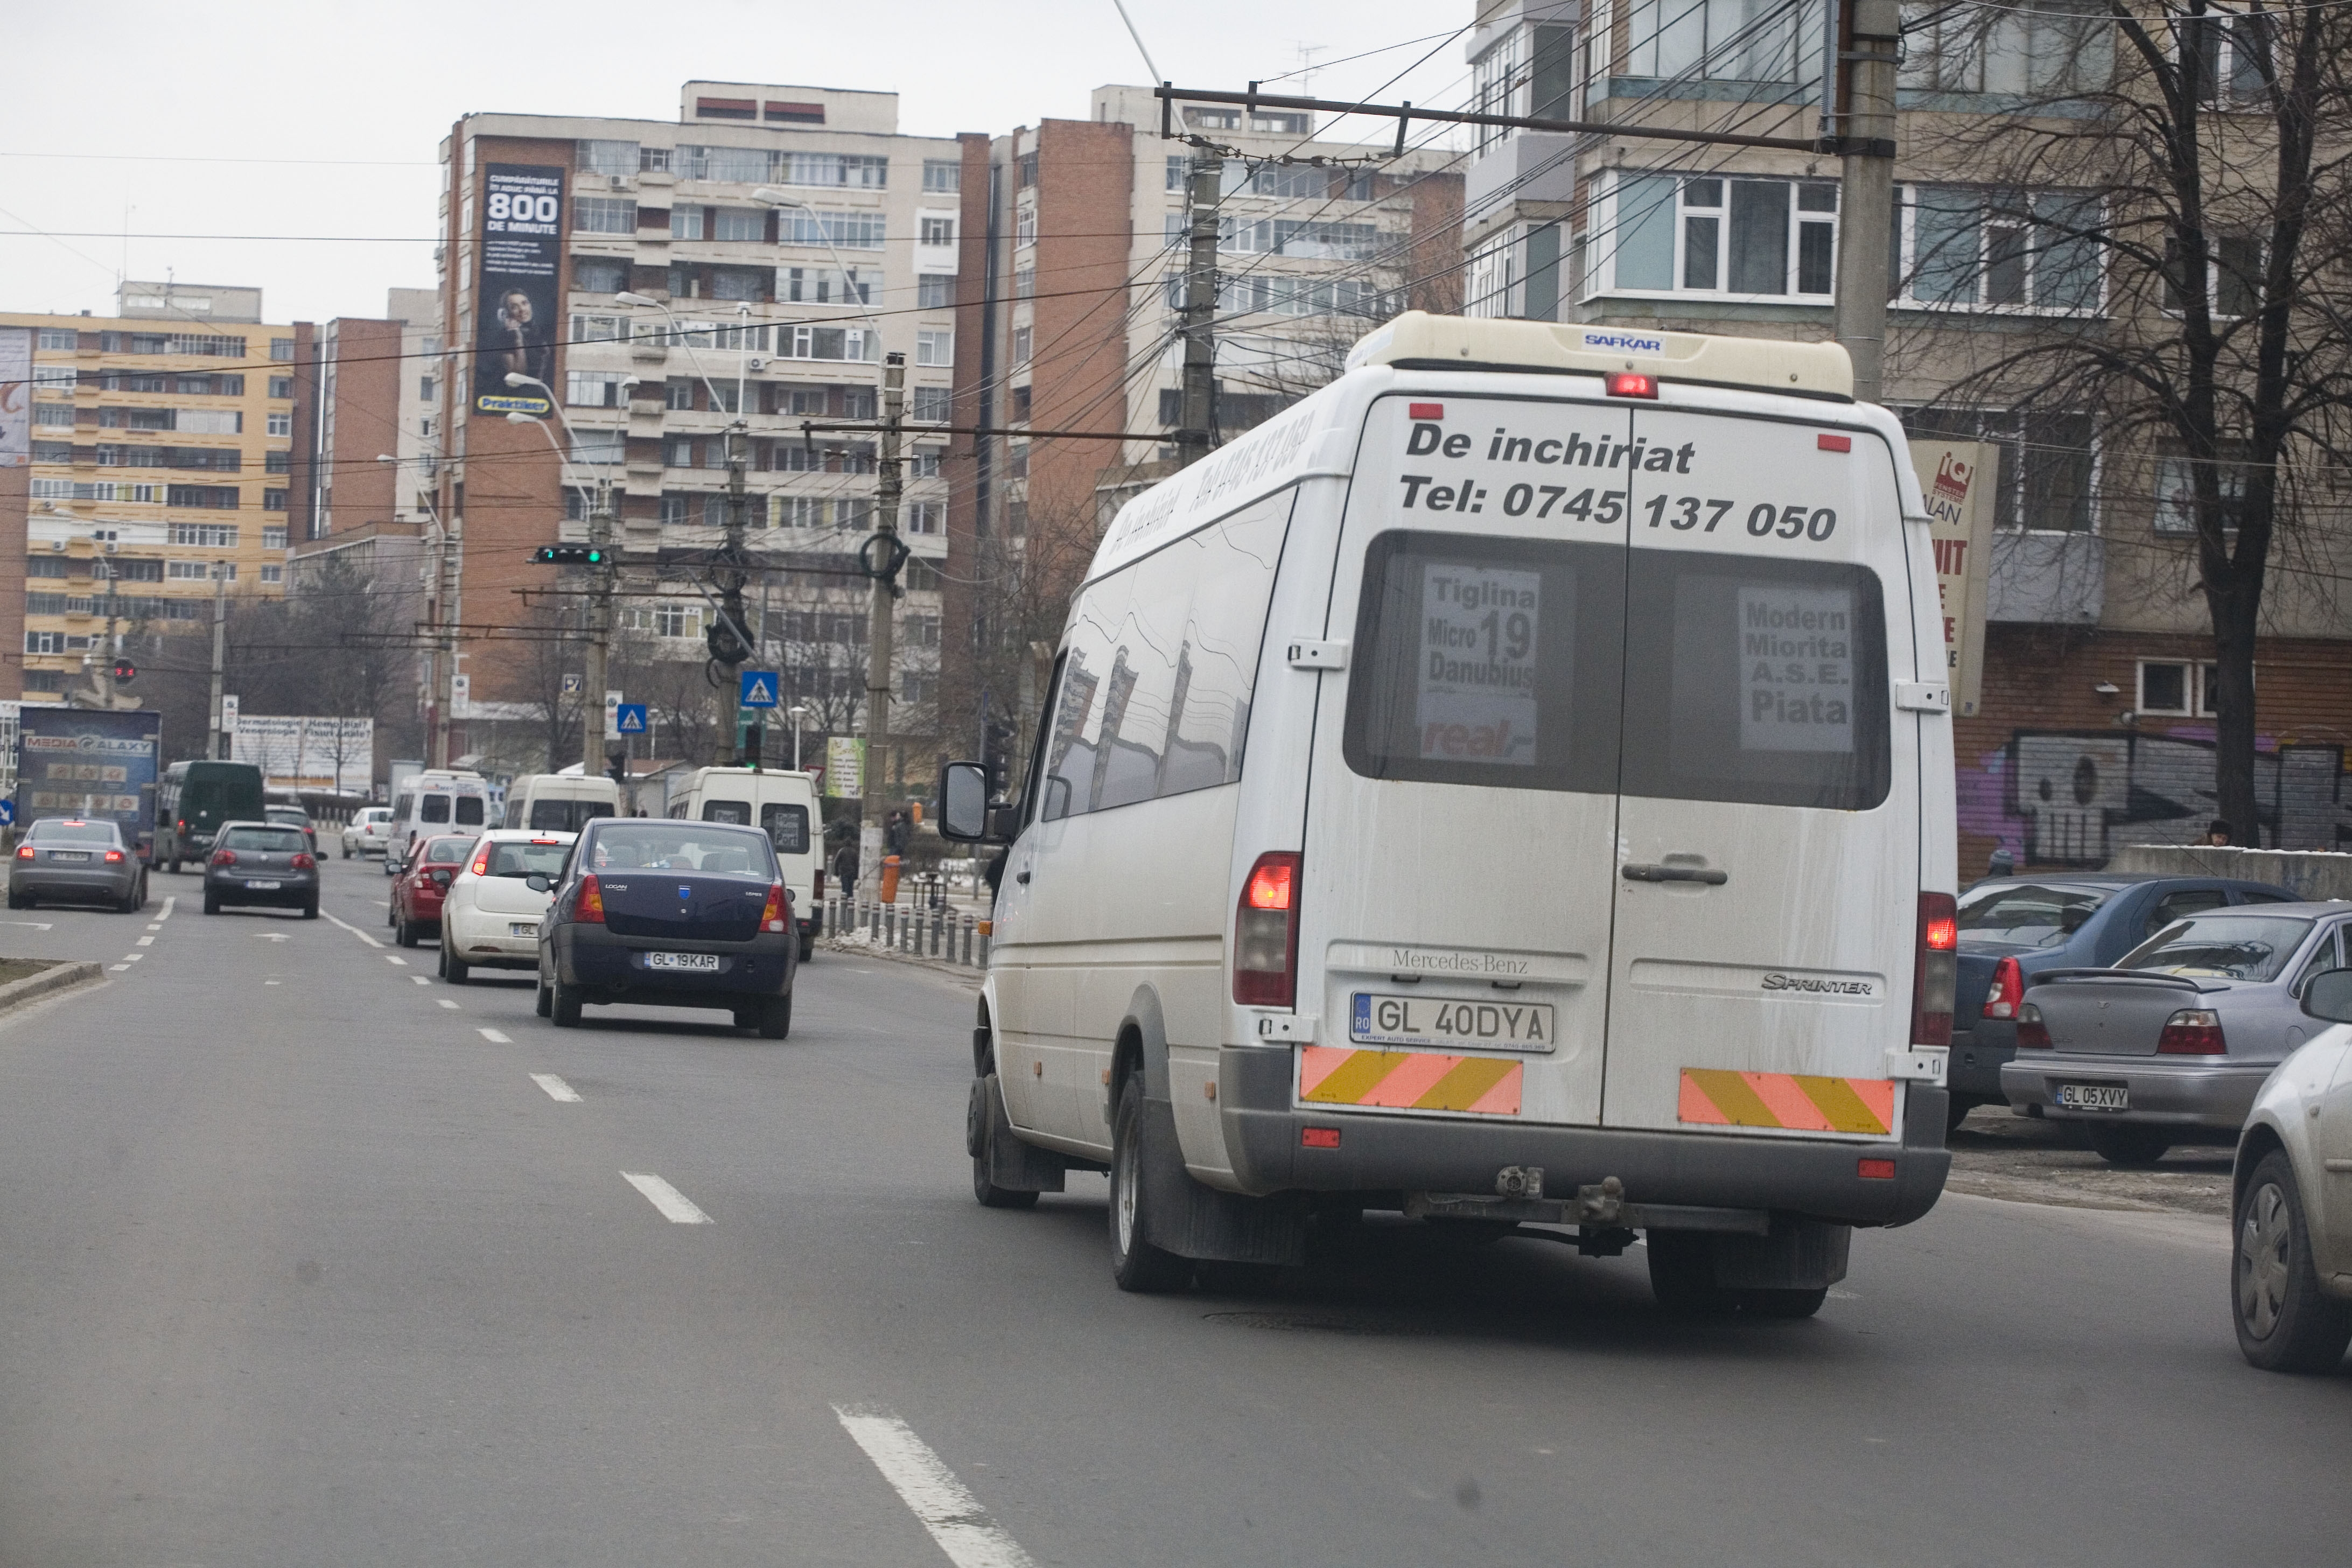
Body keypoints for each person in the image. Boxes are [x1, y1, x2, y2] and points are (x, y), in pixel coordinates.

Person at [832, 838, 859, 902]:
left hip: (844, 872)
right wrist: (856, 875)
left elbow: (836, 862)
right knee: (850, 888)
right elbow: (857, 864)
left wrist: (836, 872)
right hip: (852, 872)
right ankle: (850, 900)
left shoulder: (841, 851)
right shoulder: (854, 852)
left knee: (845, 887)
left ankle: (844, 900)